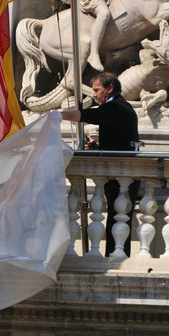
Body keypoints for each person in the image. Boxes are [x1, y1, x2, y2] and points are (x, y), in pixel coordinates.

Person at [61, 72, 139, 257]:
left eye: (97, 90)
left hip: (122, 172)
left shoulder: (116, 106)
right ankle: (115, 254)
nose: (94, 95)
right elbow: (119, 138)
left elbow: (91, 115)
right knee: (117, 216)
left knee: (118, 217)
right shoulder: (120, 106)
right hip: (120, 170)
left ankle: (115, 257)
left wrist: (60, 115)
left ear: (109, 88)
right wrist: (98, 147)